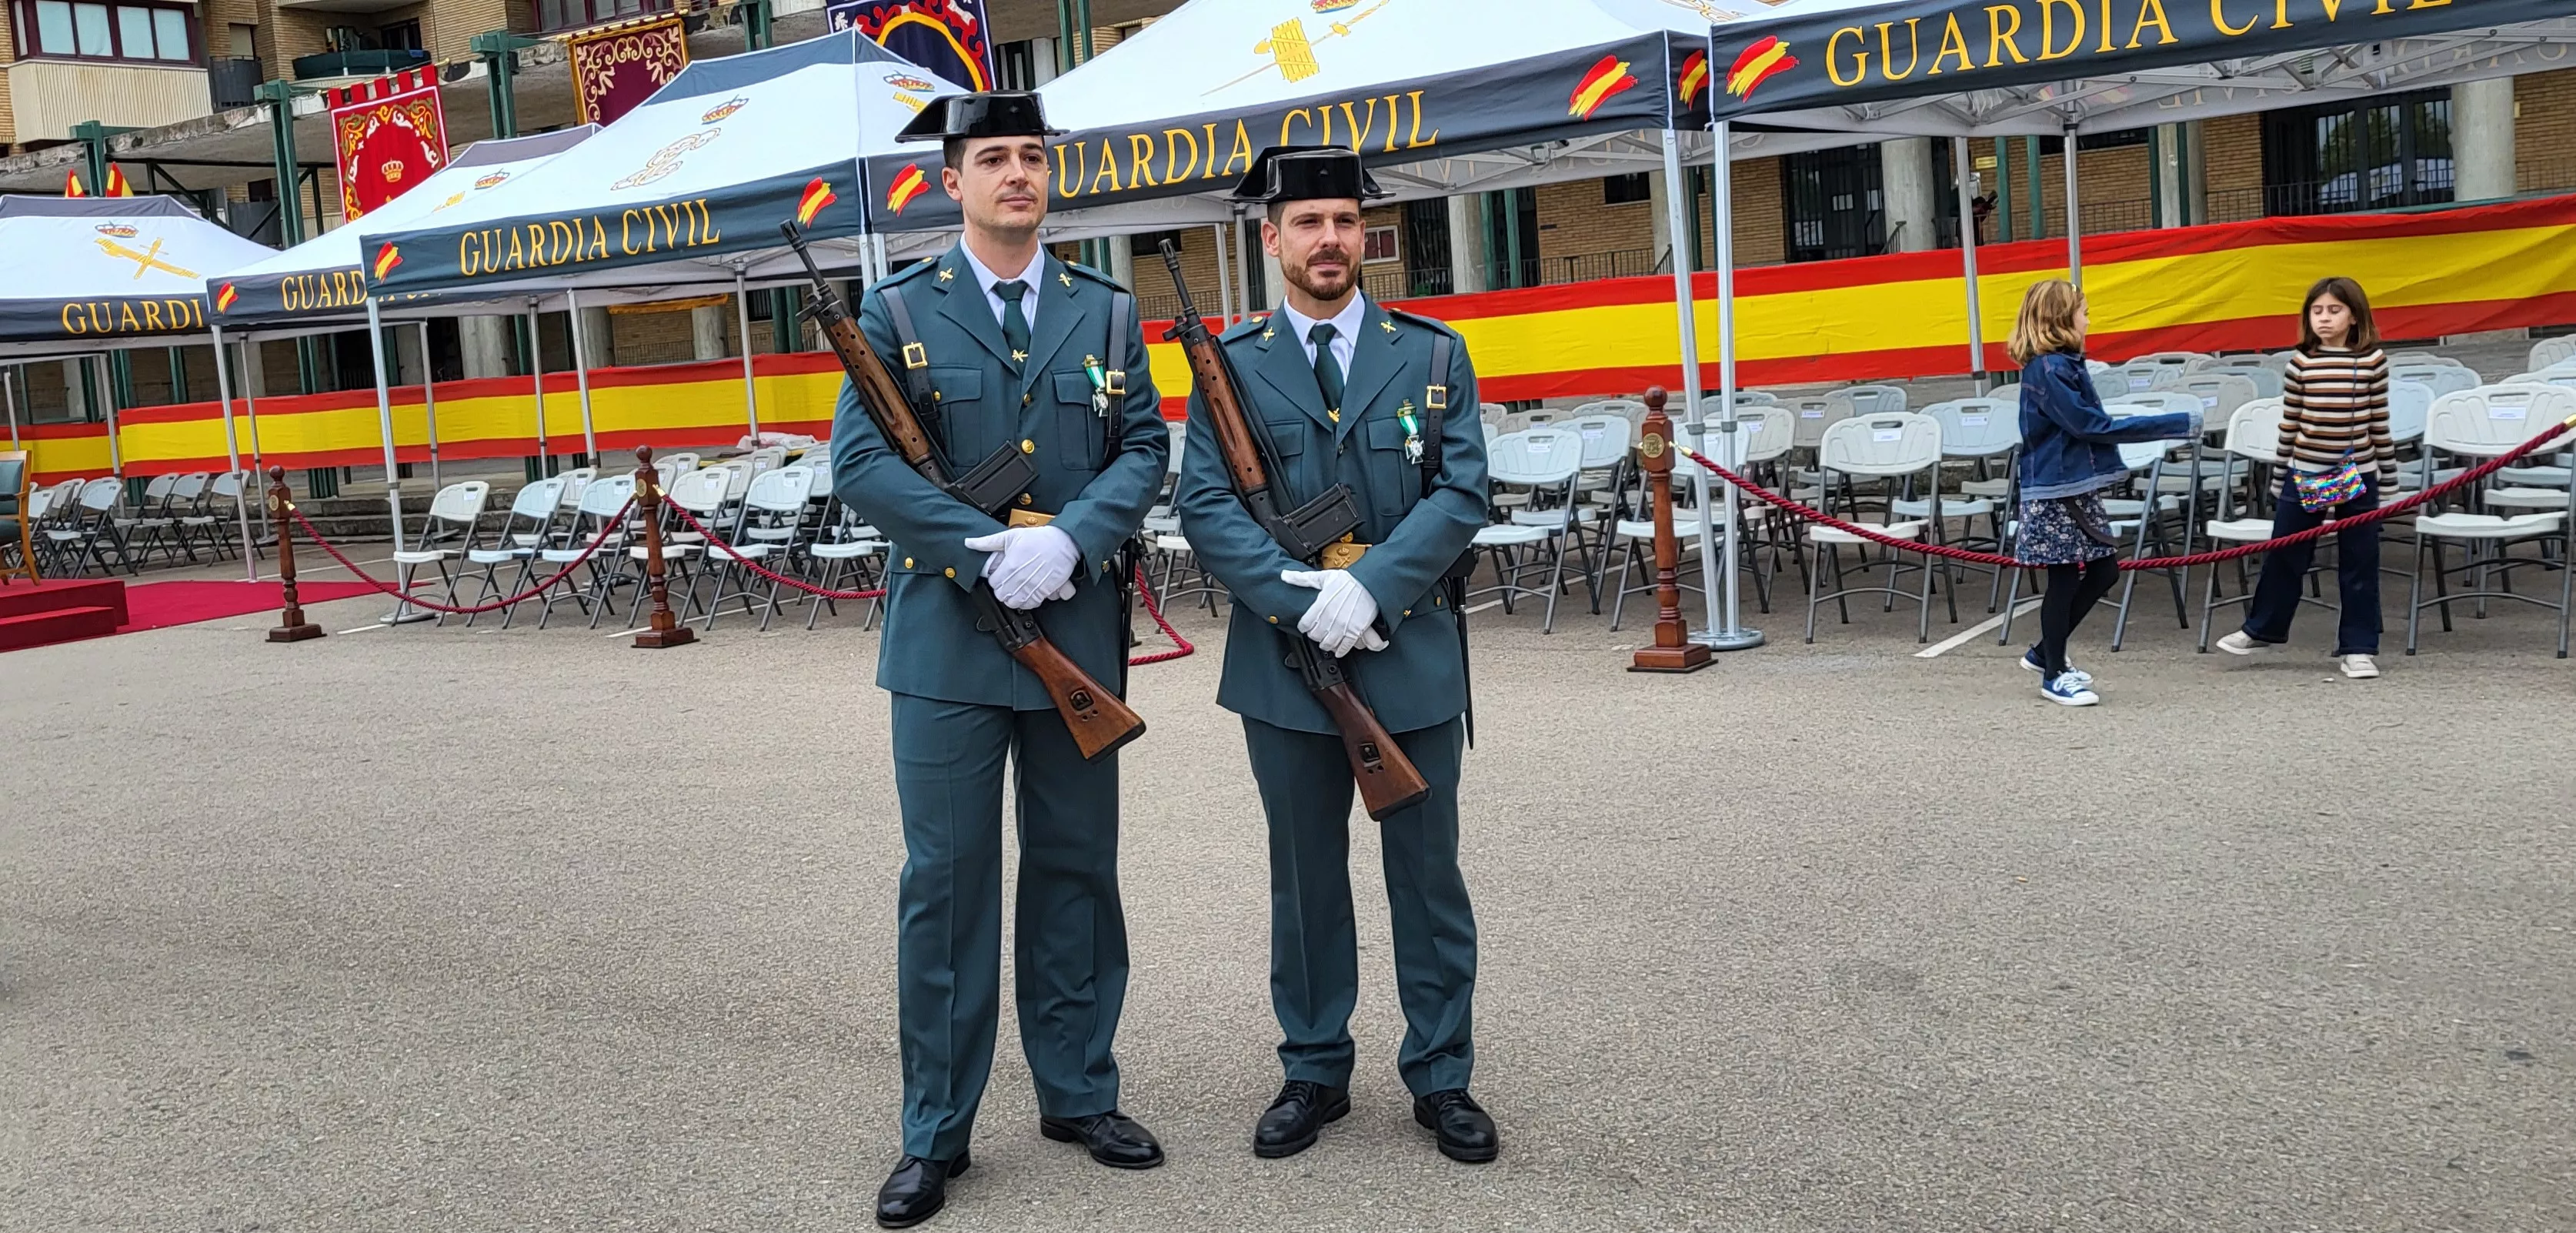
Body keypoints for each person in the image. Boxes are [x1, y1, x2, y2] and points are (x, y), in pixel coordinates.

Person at [828, 91, 1172, 1230]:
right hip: (945, 647)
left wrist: (1073, 537)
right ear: (953, 181)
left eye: (1031, 156)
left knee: (1076, 872)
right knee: (948, 885)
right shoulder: (893, 311)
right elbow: (863, 465)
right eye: (994, 159)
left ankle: (1077, 1092)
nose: (1017, 174)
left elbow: (1145, 446)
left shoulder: (1107, 314)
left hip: (1072, 630)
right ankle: (937, 1129)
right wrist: (979, 551)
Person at [1171, 147, 1497, 1164]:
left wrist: (1372, 587)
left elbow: (1462, 491)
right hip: (1286, 662)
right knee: (1305, 878)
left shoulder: (1435, 355)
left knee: (1427, 874)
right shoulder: (1230, 364)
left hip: (1408, 651)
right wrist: (1297, 598)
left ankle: (1442, 1074)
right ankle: (1314, 1066)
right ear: (1271, 239)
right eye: (1307, 223)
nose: (1328, 240)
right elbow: (1207, 507)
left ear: (1366, 236)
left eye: (1345, 223)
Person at [2007, 279, 2200, 707]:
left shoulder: (2065, 365)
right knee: (2063, 577)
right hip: (2056, 490)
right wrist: (2173, 425)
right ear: (2061, 319)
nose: (2089, 320)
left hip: (2076, 485)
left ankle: (2045, 652)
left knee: (2103, 571)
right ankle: (2053, 671)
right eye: (2084, 312)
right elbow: (2089, 426)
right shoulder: (2050, 369)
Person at [2216, 277, 2394, 679]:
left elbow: (2380, 423)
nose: (2325, 319)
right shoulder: (2300, 363)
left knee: (2360, 560)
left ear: (2354, 316)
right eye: (2318, 311)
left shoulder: (2372, 361)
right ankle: (2261, 629)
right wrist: (2280, 478)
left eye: (2335, 310)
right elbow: (2290, 425)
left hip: (2358, 473)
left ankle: (2359, 647)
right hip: (2306, 472)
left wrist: (2389, 481)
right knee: (2285, 553)